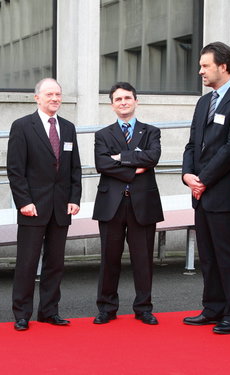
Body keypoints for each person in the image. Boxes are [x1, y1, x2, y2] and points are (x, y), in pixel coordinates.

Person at [181, 42, 230, 334]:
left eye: (205, 66)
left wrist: (204, 180)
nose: (200, 71)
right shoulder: (203, 102)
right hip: (201, 193)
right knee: (208, 256)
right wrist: (188, 174)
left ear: (223, 66)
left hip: (224, 194)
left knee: (229, 256)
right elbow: (191, 145)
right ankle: (213, 307)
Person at [7, 78, 82, 331]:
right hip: (33, 207)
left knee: (55, 263)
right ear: (36, 97)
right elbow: (15, 170)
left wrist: (74, 198)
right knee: (27, 263)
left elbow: (75, 168)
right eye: (49, 94)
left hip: (61, 206)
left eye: (58, 94)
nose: (55, 99)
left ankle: (50, 311)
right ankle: (21, 314)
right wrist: (24, 202)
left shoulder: (69, 128)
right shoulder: (22, 126)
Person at [92, 82, 163, 325]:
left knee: (143, 259)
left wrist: (121, 157)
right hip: (111, 204)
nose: (123, 102)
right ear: (112, 105)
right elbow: (102, 164)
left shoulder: (151, 131)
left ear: (136, 101)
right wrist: (135, 169)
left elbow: (152, 157)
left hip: (143, 204)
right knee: (109, 258)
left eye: (128, 98)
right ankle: (106, 308)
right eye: (118, 99)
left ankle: (143, 308)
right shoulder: (102, 135)